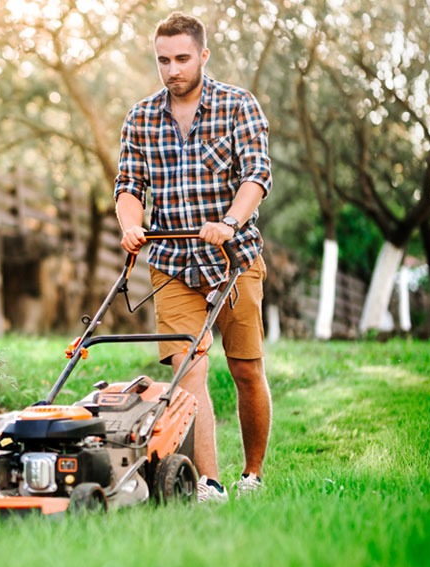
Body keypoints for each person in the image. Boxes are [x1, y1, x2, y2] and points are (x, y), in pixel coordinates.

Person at [114, 11, 272, 503]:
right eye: (163, 60)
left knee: (246, 371)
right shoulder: (141, 117)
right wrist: (131, 225)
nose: (172, 69)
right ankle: (210, 483)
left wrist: (228, 221)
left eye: (182, 58)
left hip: (233, 258)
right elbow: (128, 186)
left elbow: (256, 176)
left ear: (203, 55)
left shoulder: (237, 105)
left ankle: (252, 474)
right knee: (189, 374)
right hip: (173, 263)